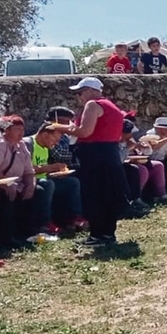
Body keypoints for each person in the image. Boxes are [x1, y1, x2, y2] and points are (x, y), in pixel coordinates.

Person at [65, 77, 130, 246]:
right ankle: (107, 233)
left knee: (94, 194)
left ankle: (98, 235)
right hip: (109, 153)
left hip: (94, 154)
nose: (80, 97)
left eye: (81, 92)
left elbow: (85, 132)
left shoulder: (93, 105)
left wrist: (62, 128)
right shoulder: (112, 107)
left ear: (90, 90)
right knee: (107, 194)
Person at [0, 115, 40, 251]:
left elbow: (29, 170)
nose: (21, 132)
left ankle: (27, 231)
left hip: (17, 183)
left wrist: (31, 185)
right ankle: (6, 237)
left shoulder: (21, 146)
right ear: (7, 131)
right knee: (6, 196)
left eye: (22, 129)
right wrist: (6, 184)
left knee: (38, 191)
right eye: (17, 129)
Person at [30, 122, 86, 236]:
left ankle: (74, 217)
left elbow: (44, 169)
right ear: (45, 135)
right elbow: (26, 168)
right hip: (31, 181)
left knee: (72, 182)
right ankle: (44, 223)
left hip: (45, 178)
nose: (56, 144)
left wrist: (55, 172)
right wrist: (50, 167)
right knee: (47, 184)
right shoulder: (29, 144)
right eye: (55, 140)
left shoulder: (45, 146)